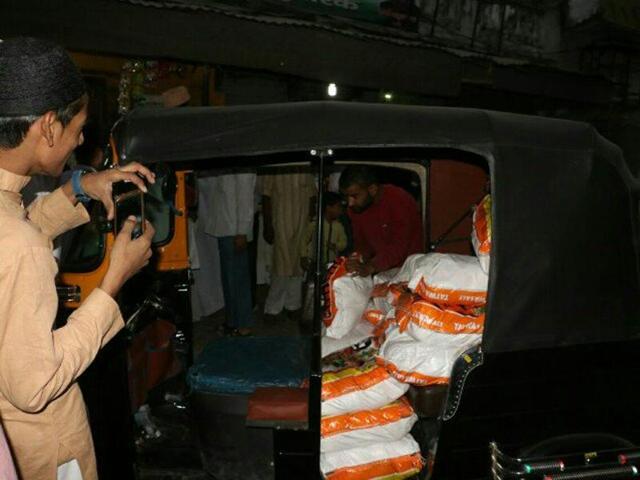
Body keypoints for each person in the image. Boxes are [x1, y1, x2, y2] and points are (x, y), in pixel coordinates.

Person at [0, 37, 156, 480]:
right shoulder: (19, 246)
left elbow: (15, 232)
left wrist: (77, 191)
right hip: (39, 447)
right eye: (78, 127)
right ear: (48, 126)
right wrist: (113, 282)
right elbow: (35, 386)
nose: (81, 139)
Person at [198, 170, 256, 336]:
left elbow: (245, 199)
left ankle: (243, 324)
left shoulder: (242, 164)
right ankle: (232, 321)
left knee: (239, 279)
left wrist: (242, 232)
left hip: (235, 231)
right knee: (229, 280)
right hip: (226, 228)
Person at [339, 165, 422, 276]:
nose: (350, 203)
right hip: (382, 271)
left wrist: (371, 266)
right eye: (346, 197)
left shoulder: (399, 200)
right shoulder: (355, 209)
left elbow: (399, 246)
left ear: (372, 189)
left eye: (354, 196)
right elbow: (362, 243)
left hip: (411, 270)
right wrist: (357, 258)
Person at [262, 169, 316, 320]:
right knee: (281, 264)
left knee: (298, 263)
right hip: (281, 219)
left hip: (302, 219)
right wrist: (267, 224)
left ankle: (293, 305)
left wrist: (311, 221)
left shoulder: (305, 164)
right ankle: (273, 308)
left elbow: (312, 193)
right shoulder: (276, 165)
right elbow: (266, 195)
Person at [301, 191, 348, 269]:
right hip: (314, 262)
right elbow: (304, 240)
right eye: (338, 207)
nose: (341, 210)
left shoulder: (339, 226)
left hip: (331, 262)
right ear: (328, 207)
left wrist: (336, 246)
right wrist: (303, 256)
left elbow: (344, 242)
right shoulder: (315, 224)